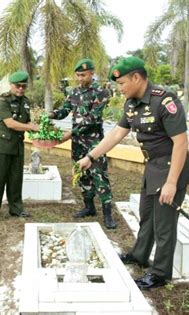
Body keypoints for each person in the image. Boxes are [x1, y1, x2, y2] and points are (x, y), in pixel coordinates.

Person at [78, 56, 189, 289]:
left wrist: (172, 183)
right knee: (147, 216)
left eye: (121, 84)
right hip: (152, 168)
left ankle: (160, 273)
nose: (119, 89)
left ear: (136, 78)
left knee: (164, 224)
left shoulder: (165, 100)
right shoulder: (131, 104)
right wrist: (91, 156)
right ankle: (140, 255)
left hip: (172, 168)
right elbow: (115, 134)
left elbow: (181, 143)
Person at [48, 58, 116, 229]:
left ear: (92, 74)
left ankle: (108, 214)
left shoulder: (101, 92)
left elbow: (92, 119)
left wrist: (70, 133)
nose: (79, 78)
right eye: (77, 75)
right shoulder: (74, 92)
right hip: (78, 143)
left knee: (99, 176)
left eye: (83, 75)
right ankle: (89, 207)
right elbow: (64, 110)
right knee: (82, 175)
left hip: (94, 143)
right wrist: (50, 115)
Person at [0, 71, 39, 223]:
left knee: (16, 179)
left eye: (23, 86)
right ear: (11, 85)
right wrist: (32, 128)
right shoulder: (3, 100)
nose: (21, 89)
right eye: (17, 86)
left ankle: (16, 208)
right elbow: (10, 123)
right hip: (2, 145)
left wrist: (38, 129)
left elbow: (27, 122)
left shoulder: (26, 102)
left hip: (17, 146)